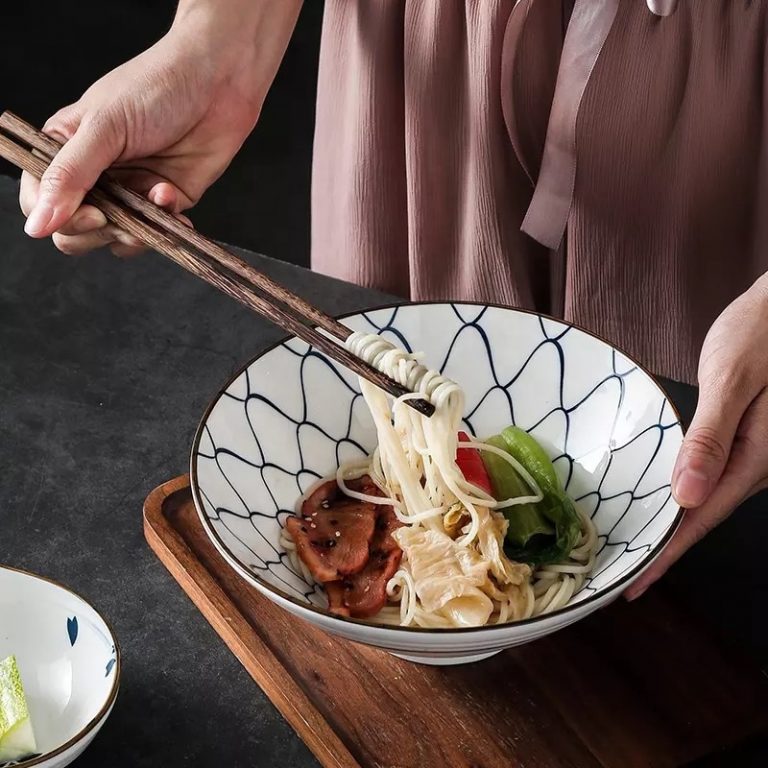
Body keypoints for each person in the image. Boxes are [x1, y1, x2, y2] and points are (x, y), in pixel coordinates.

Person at [18, 0, 768, 600]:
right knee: (383, 359)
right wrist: (219, 41)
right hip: (426, 47)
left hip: (732, 80)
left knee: (693, 478)